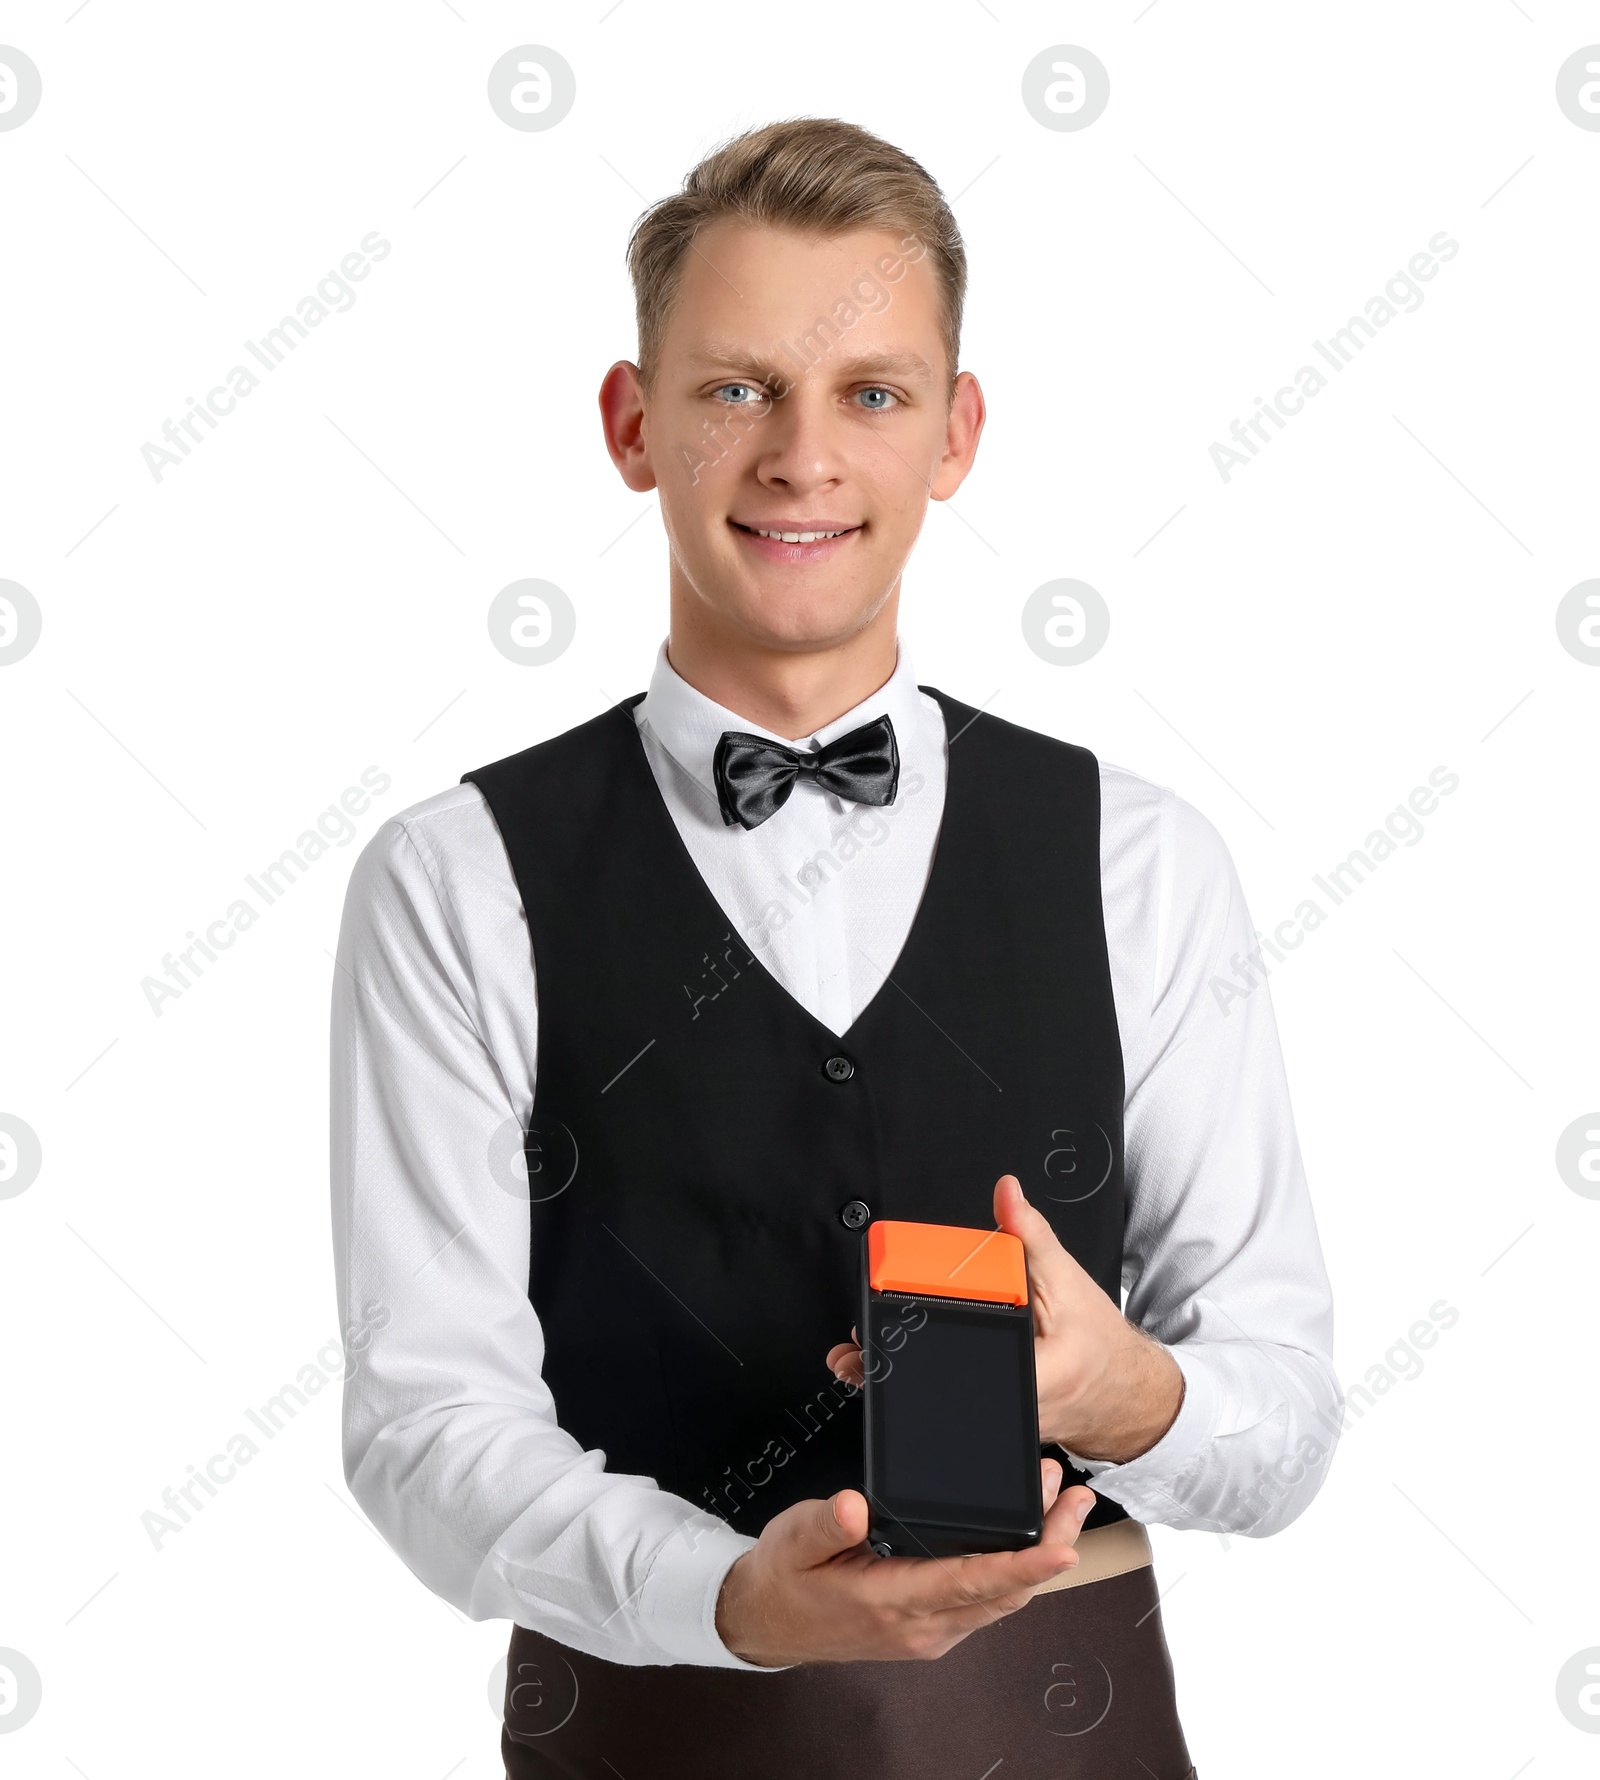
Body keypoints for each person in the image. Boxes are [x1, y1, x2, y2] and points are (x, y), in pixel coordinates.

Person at [330, 116, 1340, 1780]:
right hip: (643, 1735)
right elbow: (426, 1430)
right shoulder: (456, 879)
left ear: (956, 433)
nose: (803, 455)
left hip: (1068, 1734)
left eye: (871, 392)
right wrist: (728, 1597)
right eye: (737, 389)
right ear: (632, 425)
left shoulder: (1141, 858)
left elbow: (1284, 1423)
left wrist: (1125, 1395)